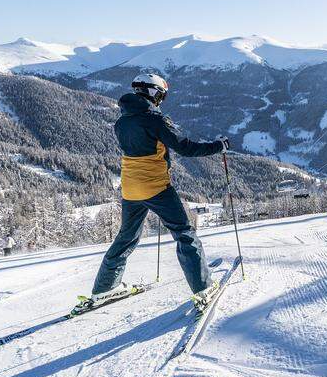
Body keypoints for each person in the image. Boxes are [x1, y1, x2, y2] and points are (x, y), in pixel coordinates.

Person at [80, 73, 228, 311]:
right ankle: (203, 288)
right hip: (156, 187)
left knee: (126, 237)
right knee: (184, 233)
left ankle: (104, 288)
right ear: (152, 93)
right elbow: (185, 148)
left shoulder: (121, 121)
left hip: (129, 188)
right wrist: (219, 146)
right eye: (160, 94)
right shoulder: (155, 119)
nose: (161, 100)